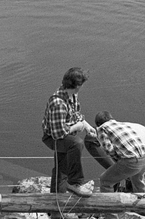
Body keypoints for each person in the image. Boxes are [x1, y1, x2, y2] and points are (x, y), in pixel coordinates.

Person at [40, 66, 113, 196]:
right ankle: (76, 182)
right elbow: (58, 134)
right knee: (76, 144)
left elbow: (76, 114)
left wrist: (86, 126)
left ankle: (56, 205)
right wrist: (77, 127)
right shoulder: (58, 103)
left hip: (65, 135)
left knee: (61, 169)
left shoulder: (72, 94)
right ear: (77, 85)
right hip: (53, 137)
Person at [92, 110, 145, 193]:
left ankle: (108, 204)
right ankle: (143, 202)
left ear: (98, 124)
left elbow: (108, 149)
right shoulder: (123, 124)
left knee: (105, 181)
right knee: (138, 183)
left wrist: (118, 160)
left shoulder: (101, 129)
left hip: (131, 160)